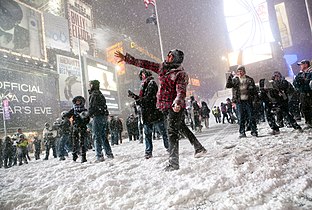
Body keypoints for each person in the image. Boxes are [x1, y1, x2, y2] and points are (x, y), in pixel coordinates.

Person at [115, 49, 207, 171]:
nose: (167, 57)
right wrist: (127, 59)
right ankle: (198, 147)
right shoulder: (162, 68)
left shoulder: (180, 74)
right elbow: (145, 63)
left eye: (170, 56)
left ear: (175, 59)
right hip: (165, 107)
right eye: (168, 55)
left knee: (171, 132)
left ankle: (174, 163)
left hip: (174, 107)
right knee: (181, 127)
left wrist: (177, 102)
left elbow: (181, 91)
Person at [128, 68, 169, 159]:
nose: (142, 76)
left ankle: (169, 147)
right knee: (148, 134)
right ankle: (148, 151)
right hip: (147, 114)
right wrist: (136, 98)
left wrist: (136, 98)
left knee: (162, 132)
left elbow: (149, 99)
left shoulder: (151, 84)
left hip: (154, 113)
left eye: (142, 74)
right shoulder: (144, 85)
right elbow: (145, 99)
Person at [226, 65, 258, 138]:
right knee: (241, 117)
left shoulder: (249, 79)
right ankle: (242, 132)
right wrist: (230, 76)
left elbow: (254, 91)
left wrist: (255, 99)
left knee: (251, 117)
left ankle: (254, 131)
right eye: (238, 71)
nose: (239, 72)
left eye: (241, 71)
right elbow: (228, 85)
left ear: (244, 71)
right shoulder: (235, 80)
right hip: (239, 102)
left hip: (248, 101)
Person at [88, 80, 114, 162]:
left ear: (92, 85)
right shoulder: (100, 94)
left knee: (97, 136)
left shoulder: (94, 95)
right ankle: (109, 153)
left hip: (98, 116)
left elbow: (92, 107)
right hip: (103, 116)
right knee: (103, 136)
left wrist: (88, 115)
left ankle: (99, 155)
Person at [63, 96, 90, 163]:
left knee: (82, 143)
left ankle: (83, 157)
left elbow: (87, 119)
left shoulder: (84, 110)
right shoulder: (73, 110)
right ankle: (74, 156)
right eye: (77, 101)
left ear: (81, 102)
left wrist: (83, 121)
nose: (78, 102)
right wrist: (65, 116)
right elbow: (68, 115)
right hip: (75, 128)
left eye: (79, 101)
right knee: (75, 143)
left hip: (82, 128)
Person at [293, 59, 312, 128]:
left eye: (301, 64)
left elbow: (309, 83)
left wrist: (304, 82)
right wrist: (299, 82)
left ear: (306, 64)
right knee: (304, 109)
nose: (300, 66)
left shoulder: (310, 72)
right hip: (302, 94)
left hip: (309, 93)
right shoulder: (300, 74)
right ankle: (308, 122)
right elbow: (295, 83)